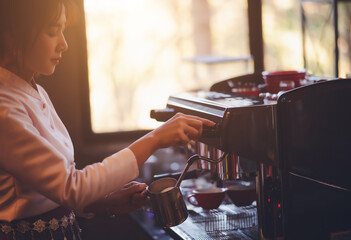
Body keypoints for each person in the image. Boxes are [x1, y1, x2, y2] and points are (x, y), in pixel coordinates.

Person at [0, 0, 215, 239]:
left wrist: (105, 201)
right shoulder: (5, 106)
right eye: (52, 31)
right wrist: (155, 139)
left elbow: (52, 191)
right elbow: (72, 187)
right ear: (13, 36)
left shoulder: (34, 90)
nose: (64, 43)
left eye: (63, 30)